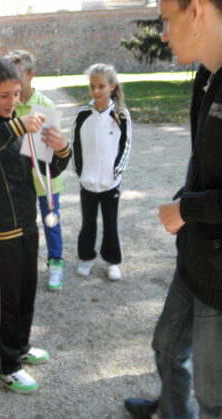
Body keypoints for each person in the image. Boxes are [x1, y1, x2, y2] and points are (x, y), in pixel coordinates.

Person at [124, 0, 222, 418]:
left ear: (195, 10)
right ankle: (172, 409)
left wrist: (188, 209)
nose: (163, 34)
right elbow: (204, 164)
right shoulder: (206, 76)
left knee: (213, 396)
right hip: (195, 258)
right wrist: (187, 203)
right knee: (167, 345)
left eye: (167, 19)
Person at [0, 55, 71, 393]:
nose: (12, 101)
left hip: (27, 222)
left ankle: (20, 347)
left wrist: (62, 149)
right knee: (7, 298)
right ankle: (4, 365)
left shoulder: (23, 127)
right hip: (0, 229)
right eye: (3, 95)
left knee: (26, 292)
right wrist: (14, 128)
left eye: (16, 93)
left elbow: (47, 170)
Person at [5, 50, 66, 292]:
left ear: (31, 75)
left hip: (45, 180)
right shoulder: (8, 106)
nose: (13, 81)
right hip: (19, 182)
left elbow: (53, 148)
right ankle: (23, 264)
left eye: (18, 76)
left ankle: (56, 264)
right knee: (22, 225)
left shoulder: (45, 105)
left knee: (51, 223)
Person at [72, 63, 132, 281]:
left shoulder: (121, 115)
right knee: (88, 222)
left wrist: (116, 172)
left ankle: (112, 261)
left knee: (110, 222)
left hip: (111, 183)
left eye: (101, 86)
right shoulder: (82, 114)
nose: (96, 91)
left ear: (112, 87)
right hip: (87, 183)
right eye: (92, 86)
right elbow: (75, 145)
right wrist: (81, 172)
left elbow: (126, 146)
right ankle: (86, 257)